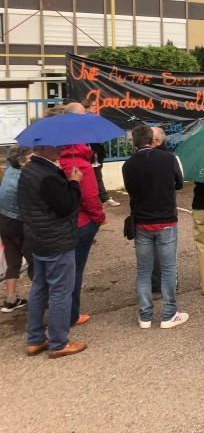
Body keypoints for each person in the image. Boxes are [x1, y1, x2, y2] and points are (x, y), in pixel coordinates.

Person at [19, 143, 86, 357]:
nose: (61, 148)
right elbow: (66, 206)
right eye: (55, 145)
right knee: (60, 292)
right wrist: (74, 183)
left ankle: (35, 339)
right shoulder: (47, 175)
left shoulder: (29, 169)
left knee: (40, 287)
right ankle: (59, 342)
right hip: (56, 240)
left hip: (38, 237)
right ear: (42, 147)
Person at [122, 125, 187, 329]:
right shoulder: (168, 158)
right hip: (166, 220)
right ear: (152, 139)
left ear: (134, 143)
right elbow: (179, 183)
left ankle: (145, 316)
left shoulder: (128, 165)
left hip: (142, 222)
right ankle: (169, 315)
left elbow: (130, 189)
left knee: (143, 271)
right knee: (168, 269)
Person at [59, 102, 106, 328]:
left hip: (61, 223)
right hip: (81, 222)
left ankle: (60, 312)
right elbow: (89, 197)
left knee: (62, 271)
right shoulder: (78, 163)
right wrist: (99, 217)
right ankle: (70, 315)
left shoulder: (58, 158)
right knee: (74, 271)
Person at [0, 147, 33, 312]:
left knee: (12, 261)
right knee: (35, 261)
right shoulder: (23, 178)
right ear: (22, 162)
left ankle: (11, 299)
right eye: (31, 158)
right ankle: (43, 297)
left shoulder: (9, 171)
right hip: (18, 223)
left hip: (4, 221)